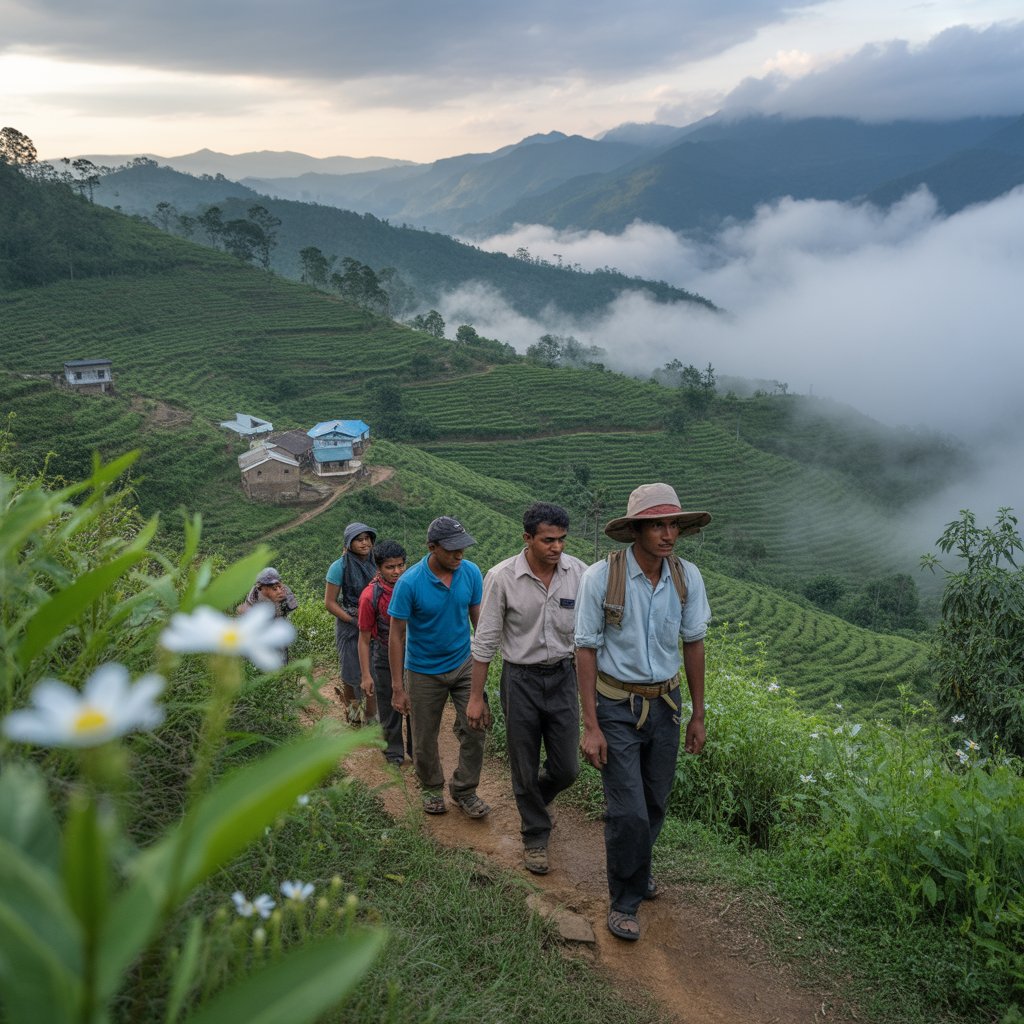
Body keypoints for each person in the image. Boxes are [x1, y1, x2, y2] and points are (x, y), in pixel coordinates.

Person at [574, 483, 712, 942]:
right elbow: (586, 649)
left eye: (674, 524)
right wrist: (590, 724)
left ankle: (636, 867)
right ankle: (625, 901)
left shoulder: (686, 577)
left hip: (666, 705)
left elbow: (693, 644)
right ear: (637, 529)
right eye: (658, 524)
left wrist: (698, 714)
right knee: (628, 810)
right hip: (616, 706)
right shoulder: (601, 578)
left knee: (655, 801)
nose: (668, 533)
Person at [468, 502, 587, 875]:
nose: (557, 548)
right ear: (528, 539)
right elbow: (485, 640)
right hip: (520, 679)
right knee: (523, 760)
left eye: (562, 540)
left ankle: (536, 797)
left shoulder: (578, 574)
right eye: (548, 540)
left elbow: (587, 638)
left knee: (568, 768)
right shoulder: (501, 577)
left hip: (564, 676)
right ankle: (535, 835)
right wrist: (476, 697)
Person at [387, 515, 490, 818]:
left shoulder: (470, 573)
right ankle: (431, 787)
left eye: (463, 548)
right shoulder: (409, 583)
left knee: (477, 727)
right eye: (452, 549)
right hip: (423, 670)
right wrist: (397, 686)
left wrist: (483, 662)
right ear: (432, 547)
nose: (460, 555)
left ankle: (465, 790)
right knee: (424, 736)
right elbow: (396, 634)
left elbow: (477, 619)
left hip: (463, 663)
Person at [357, 539, 413, 767]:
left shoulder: (411, 586)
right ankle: (394, 754)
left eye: (401, 565)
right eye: (390, 567)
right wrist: (366, 675)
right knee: (390, 705)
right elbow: (363, 639)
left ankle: (418, 752)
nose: (397, 571)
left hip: (413, 655)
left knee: (415, 705)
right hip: (383, 654)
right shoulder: (370, 596)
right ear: (379, 568)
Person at [325, 522, 377, 725]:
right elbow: (329, 603)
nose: (365, 543)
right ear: (349, 543)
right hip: (350, 627)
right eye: (359, 539)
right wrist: (354, 621)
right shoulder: (340, 567)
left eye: (367, 538)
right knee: (351, 673)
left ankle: (372, 717)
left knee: (374, 672)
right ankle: (354, 717)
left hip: (375, 624)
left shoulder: (377, 561)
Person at [237, 567, 299, 661]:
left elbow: (292, 606)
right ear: (261, 586)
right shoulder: (254, 596)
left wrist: (284, 599)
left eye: (276, 584)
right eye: (270, 585)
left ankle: (283, 667)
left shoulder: (283, 590)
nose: (275, 587)